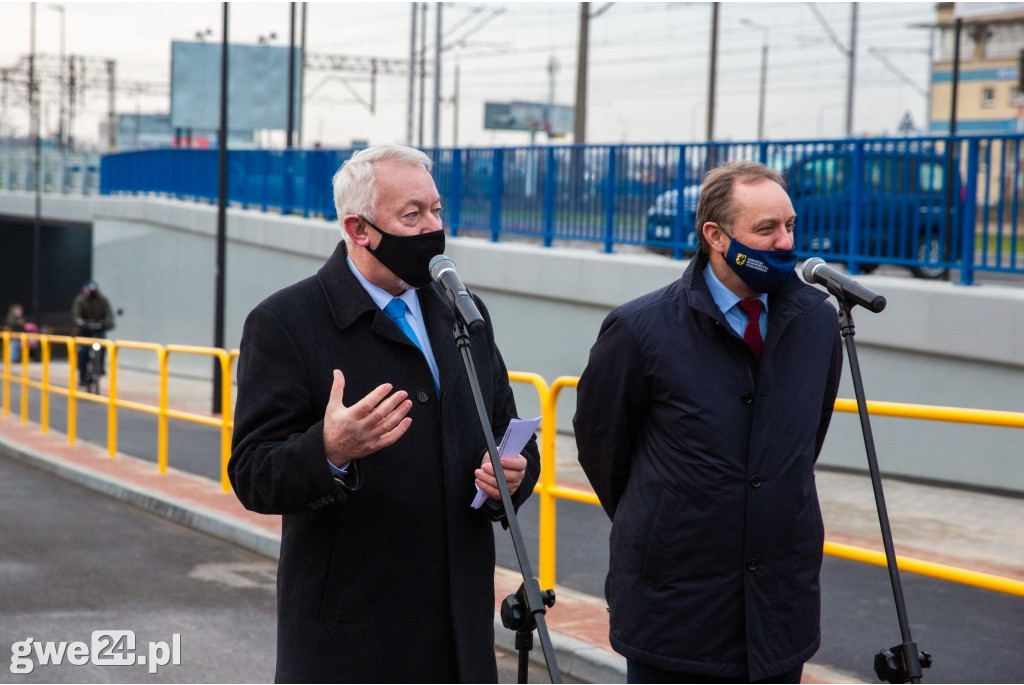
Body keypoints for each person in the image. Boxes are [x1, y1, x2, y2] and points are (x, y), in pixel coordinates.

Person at [228, 143, 541, 684]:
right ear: (359, 228)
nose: (431, 228)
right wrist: (328, 451)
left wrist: (515, 475)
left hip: (461, 636)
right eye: (411, 215)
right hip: (354, 641)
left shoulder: (461, 311)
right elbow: (253, 474)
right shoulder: (285, 322)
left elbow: (506, 432)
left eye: (437, 211)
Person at [573, 160, 843, 684]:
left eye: (789, 225)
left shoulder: (817, 320)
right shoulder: (639, 329)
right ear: (716, 236)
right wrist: (665, 519)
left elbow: (803, 441)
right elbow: (602, 446)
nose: (785, 242)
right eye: (765, 229)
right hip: (675, 613)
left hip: (778, 611)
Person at [71, 281, 115, 386]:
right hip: (85, 330)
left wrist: (107, 322)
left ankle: (100, 367)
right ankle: (82, 376)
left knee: (103, 345)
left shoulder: (103, 300)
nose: (92, 292)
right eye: (90, 290)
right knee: (83, 351)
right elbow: (76, 314)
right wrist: (80, 322)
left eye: (94, 290)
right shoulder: (80, 300)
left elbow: (109, 314)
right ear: (85, 290)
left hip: (99, 329)